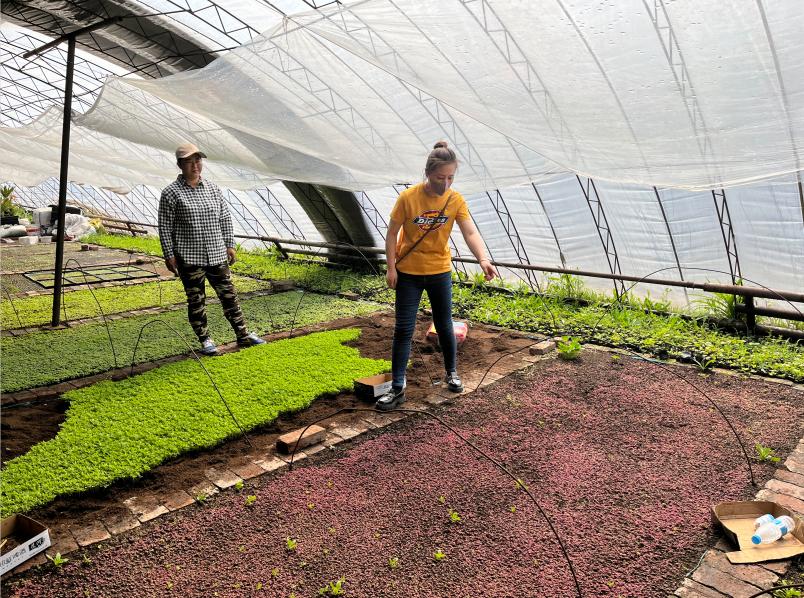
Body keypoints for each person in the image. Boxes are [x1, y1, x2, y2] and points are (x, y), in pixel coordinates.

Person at [376, 141, 498, 410]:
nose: (445, 183)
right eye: (440, 177)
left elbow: (469, 232)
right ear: (428, 173)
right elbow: (391, 233)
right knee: (403, 329)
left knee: (444, 325)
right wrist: (391, 267)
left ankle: (451, 373)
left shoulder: (455, 199)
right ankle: (398, 387)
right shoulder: (408, 198)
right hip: (409, 273)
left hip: (440, 271)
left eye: (450, 177)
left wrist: (483, 259)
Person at [158, 143, 265, 356]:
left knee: (229, 296)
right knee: (197, 301)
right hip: (189, 258)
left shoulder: (213, 189)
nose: (195, 165)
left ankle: (243, 334)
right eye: (189, 161)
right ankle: (205, 339)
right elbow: (165, 226)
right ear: (180, 164)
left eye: (198, 160)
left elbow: (224, 217)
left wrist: (230, 244)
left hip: (217, 254)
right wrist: (169, 255)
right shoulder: (171, 193)